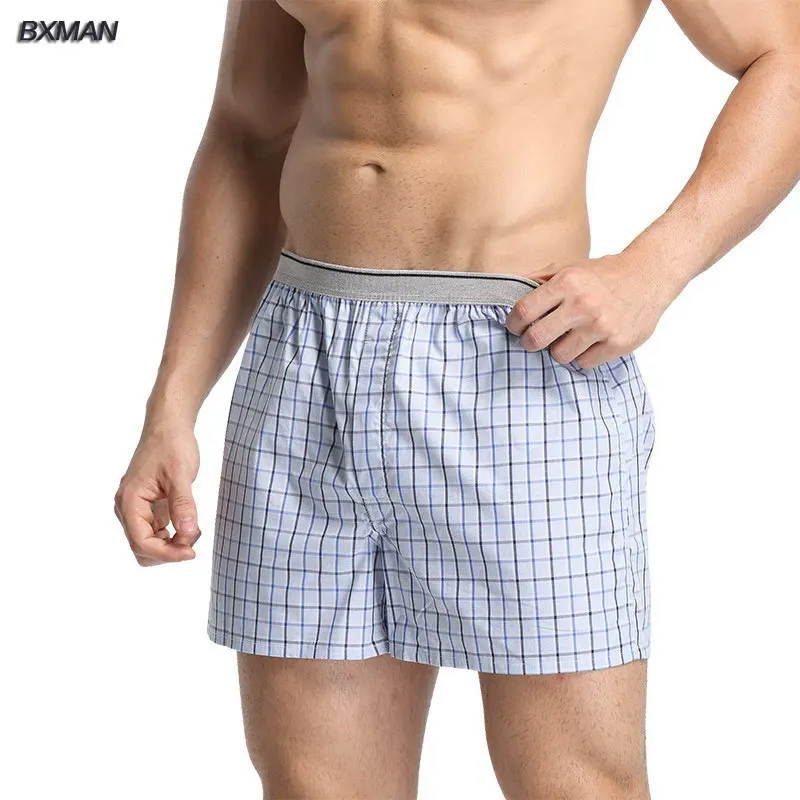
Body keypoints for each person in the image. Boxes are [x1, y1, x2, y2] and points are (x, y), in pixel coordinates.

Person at [114, 1, 800, 797]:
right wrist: (172, 405)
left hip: (519, 354)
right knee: (312, 784)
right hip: (303, 356)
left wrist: (658, 265)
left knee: (576, 782)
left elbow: (784, 58)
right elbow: (247, 133)